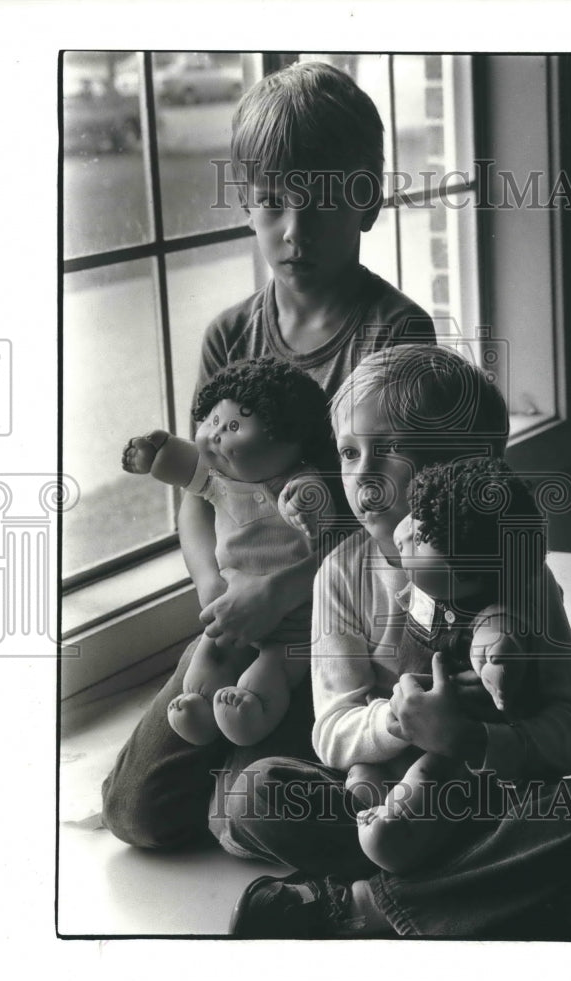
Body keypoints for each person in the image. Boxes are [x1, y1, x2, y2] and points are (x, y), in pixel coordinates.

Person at [101, 60, 436, 849]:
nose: (294, 229)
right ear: (247, 206)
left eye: (322, 202)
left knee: (243, 810)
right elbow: (198, 488)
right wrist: (218, 588)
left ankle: (343, 790)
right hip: (241, 625)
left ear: (368, 200)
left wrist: (281, 591)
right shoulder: (229, 335)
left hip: (344, 629)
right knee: (133, 812)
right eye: (272, 204)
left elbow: (394, 519)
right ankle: (251, 768)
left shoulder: (395, 335)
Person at [218, 345, 571, 939]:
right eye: (348, 451)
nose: (361, 473)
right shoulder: (340, 575)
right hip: (374, 801)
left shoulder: (520, 577)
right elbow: (332, 729)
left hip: (486, 804)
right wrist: (401, 722)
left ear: (468, 465)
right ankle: (471, 894)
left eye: (390, 449)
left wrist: (471, 739)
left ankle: (358, 905)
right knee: (254, 795)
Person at [122, 357, 336, 747]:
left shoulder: (296, 482)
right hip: (229, 607)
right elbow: (185, 462)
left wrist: (306, 505)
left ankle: (252, 710)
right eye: (215, 421)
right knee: (209, 655)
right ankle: (199, 707)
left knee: (275, 666)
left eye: (234, 427)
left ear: (288, 442)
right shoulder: (219, 479)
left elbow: (319, 510)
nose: (217, 435)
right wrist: (155, 453)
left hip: (294, 619)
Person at [351, 456, 543, 873]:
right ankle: (426, 843)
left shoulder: (490, 612)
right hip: (403, 728)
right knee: (272, 785)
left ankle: (392, 835)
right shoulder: (423, 590)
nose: (404, 535)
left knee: (428, 781)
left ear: (466, 575)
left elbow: (494, 635)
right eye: (414, 518)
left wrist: (494, 659)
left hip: (453, 754)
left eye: (420, 539)